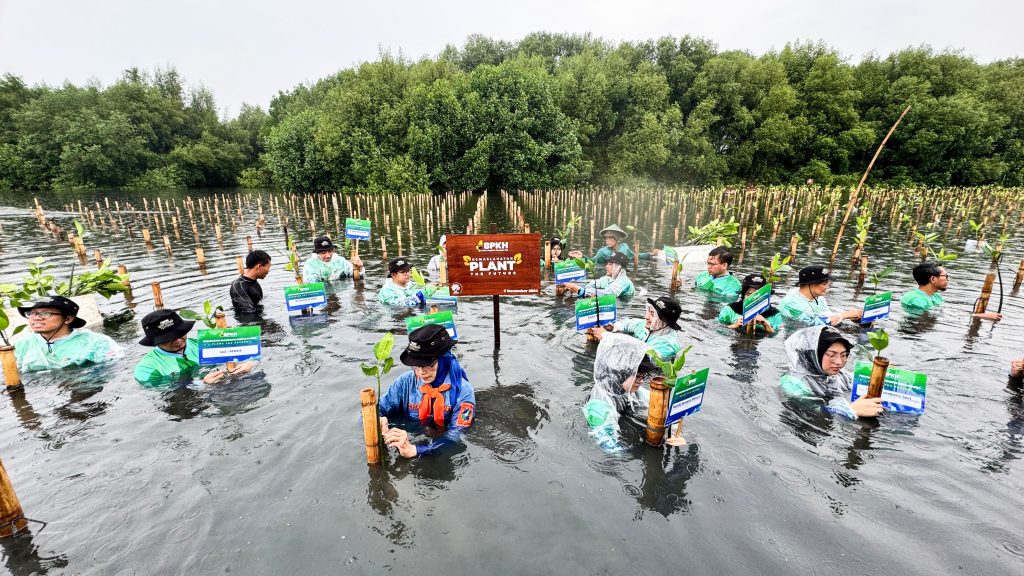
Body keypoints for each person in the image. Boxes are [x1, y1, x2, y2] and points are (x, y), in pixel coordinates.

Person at [378, 324, 475, 457]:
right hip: (411, 434)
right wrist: (378, 419)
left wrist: (416, 450)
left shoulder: (463, 391)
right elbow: (376, 410)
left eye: (429, 365)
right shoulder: (404, 382)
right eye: (416, 365)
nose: (422, 372)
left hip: (440, 447)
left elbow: (457, 435)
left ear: (444, 360)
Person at [582, 333, 686, 451]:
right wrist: (648, 449)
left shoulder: (628, 389)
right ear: (620, 375)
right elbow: (610, 448)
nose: (641, 381)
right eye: (638, 376)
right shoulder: (598, 407)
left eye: (643, 376)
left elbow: (663, 409)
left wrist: (674, 433)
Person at [779, 325, 883, 419]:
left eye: (843, 355)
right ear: (814, 355)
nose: (839, 362)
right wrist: (851, 410)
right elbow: (812, 410)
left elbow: (860, 382)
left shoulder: (839, 375)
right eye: (832, 355)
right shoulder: (792, 382)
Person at [134, 309, 255, 385]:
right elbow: (160, 391)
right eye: (168, 338)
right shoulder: (146, 368)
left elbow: (248, 354)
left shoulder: (204, 344)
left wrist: (249, 363)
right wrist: (201, 384)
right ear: (155, 341)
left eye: (181, 334)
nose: (177, 340)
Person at [13, 296, 124, 372]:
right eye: (31, 313)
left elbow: (114, 367)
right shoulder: (22, 344)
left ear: (68, 319)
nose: (35, 318)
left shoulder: (96, 342)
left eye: (45, 313)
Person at [594, 296, 683, 361]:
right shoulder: (646, 325)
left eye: (653, 314)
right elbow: (627, 323)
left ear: (665, 321)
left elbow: (644, 360)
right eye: (649, 312)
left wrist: (608, 338)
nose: (646, 317)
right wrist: (612, 327)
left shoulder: (668, 344)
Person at [779, 265, 862, 326]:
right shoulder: (791, 302)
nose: (827, 287)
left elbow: (825, 315)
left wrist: (854, 316)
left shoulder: (818, 298)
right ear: (811, 285)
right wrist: (845, 315)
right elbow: (815, 324)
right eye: (824, 284)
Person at [718, 274, 784, 333]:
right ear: (743, 295)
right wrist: (735, 325)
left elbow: (779, 335)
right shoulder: (730, 309)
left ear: (765, 296)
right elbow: (717, 328)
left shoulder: (774, 313)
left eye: (758, 295)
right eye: (749, 294)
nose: (753, 299)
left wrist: (766, 325)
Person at [568, 224, 660, 265]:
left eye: (610, 238)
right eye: (606, 238)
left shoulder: (624, 247)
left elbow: (634, 256)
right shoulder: (602, 252)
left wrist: (650, 254)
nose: (607, 240)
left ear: (616, 239)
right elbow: (593, 262)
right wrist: (582, 256)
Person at [561, 252, 635, 299]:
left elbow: (609, 294)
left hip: (621, 309)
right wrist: (572, 289)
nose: (606, 266)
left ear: (618, 267)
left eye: (610, 264)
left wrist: (581, 291)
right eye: (607, 264)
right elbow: (592, 284)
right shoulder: (607, 279)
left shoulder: (624, 281)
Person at [230, 250, 271, 314]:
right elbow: (249, 313)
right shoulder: (238, 286)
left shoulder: (253, 281)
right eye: (268, 267)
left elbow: (259, 303)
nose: (269, 271)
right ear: (259, 267)